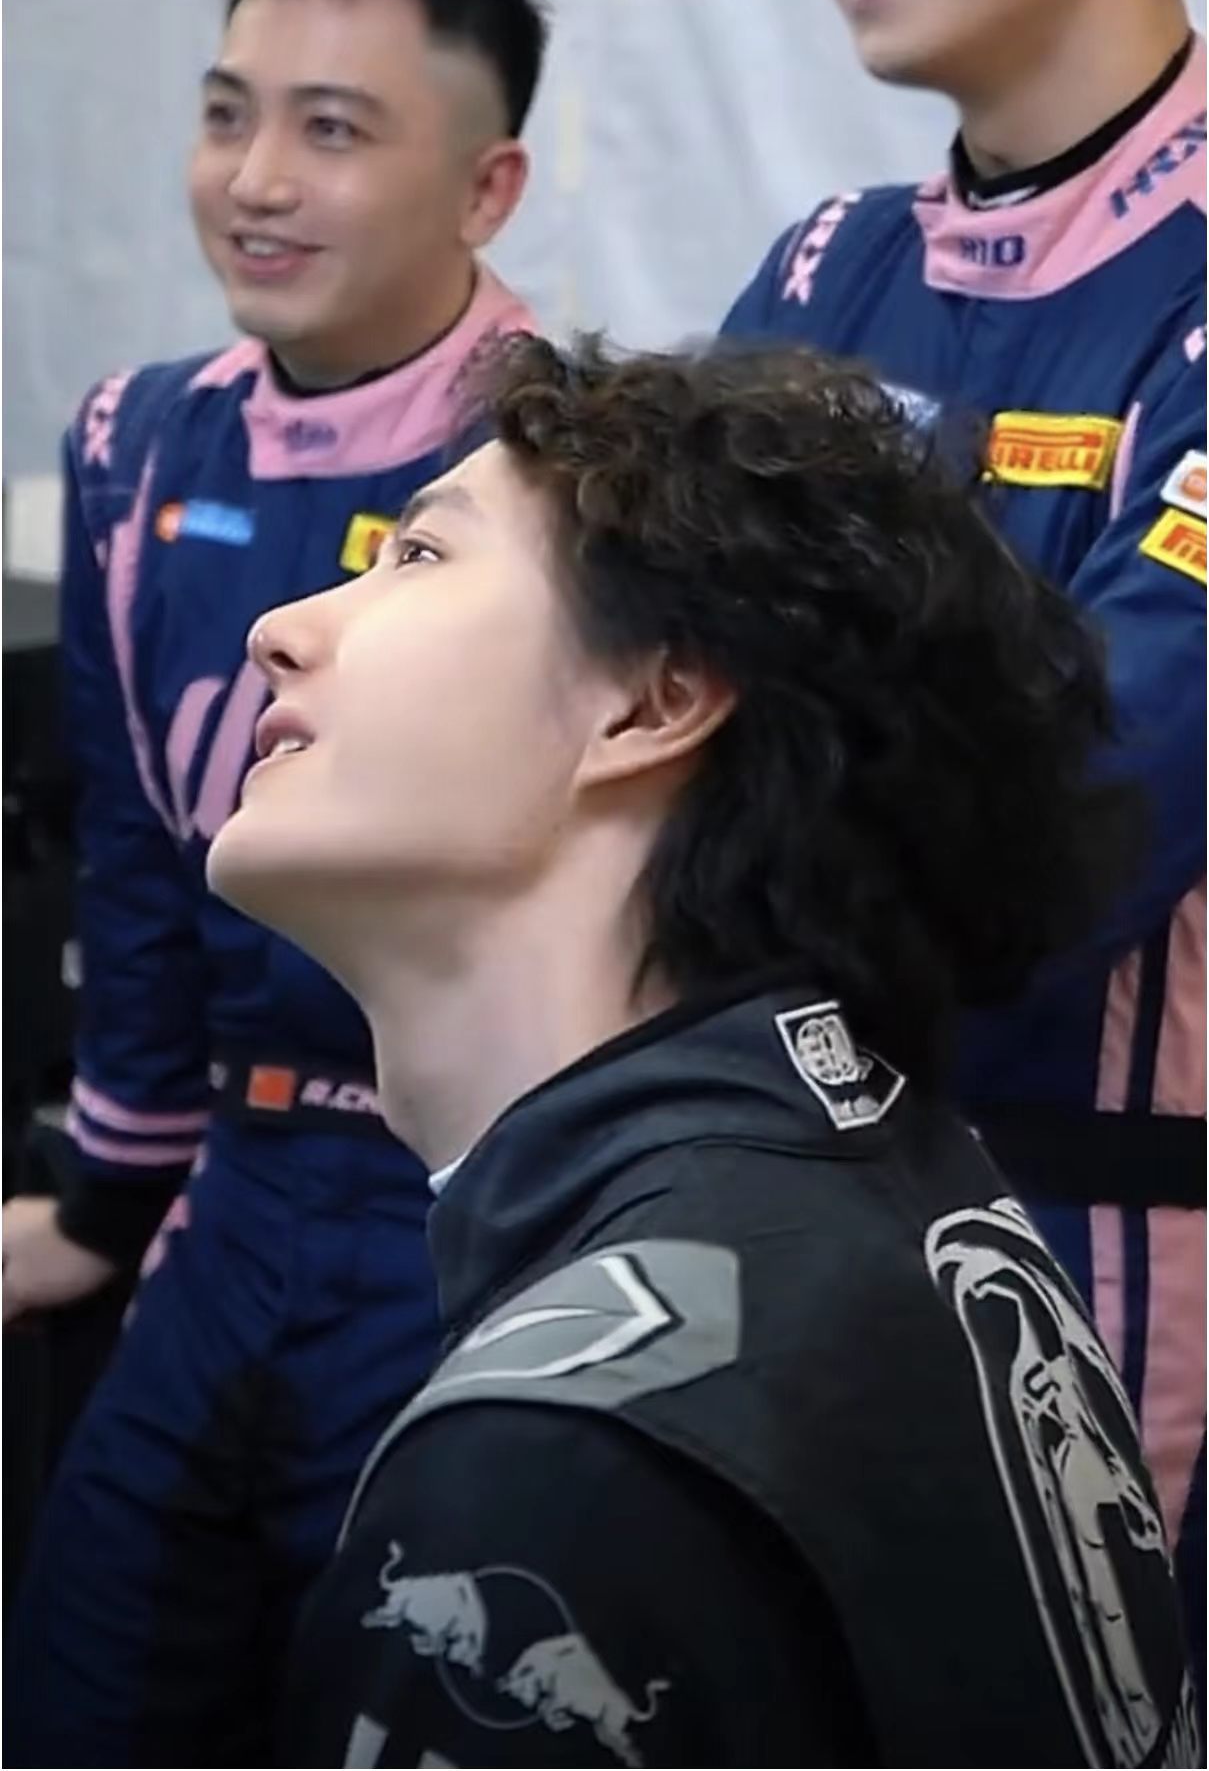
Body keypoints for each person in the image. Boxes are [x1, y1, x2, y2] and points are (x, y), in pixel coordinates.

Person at [204, 333, 1195, 1769]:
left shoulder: (550, 1468)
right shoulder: (935, 1215)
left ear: (652, 702)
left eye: (417, 556)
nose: (282, 628)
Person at [2, 0, 546, 1768]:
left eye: (332, 130)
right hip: (230, 1196)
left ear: (487, 187)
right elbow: (136, 866)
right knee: (78, 1683)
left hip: (467, 1211)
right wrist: (104, 1195)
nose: (255, 179)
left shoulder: (571, 466)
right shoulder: (132, 439)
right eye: (228, 113)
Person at [719, 0, 1207, 1676]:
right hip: (785, 1212)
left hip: (1103, 1252)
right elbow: (614, 694)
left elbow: (1076, 814)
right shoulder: (822, 273)